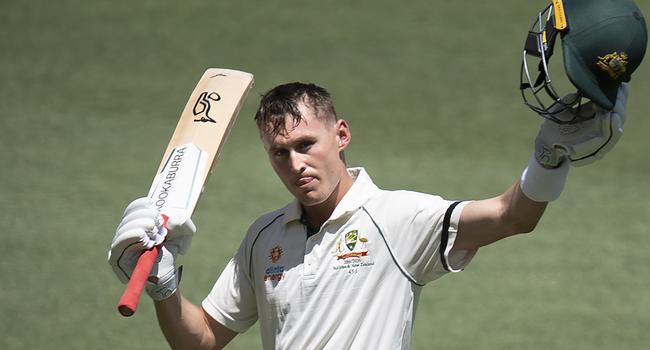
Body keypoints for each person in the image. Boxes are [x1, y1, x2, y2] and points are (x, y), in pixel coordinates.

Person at [109, 79, 628, 349]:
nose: (295, 164)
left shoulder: (397, 218)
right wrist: (165, 288)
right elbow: (200, 342)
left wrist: (548, 158)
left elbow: (513, 216)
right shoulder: (262, 237)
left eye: (306, 144)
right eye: (279, 152)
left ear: (342, 135)